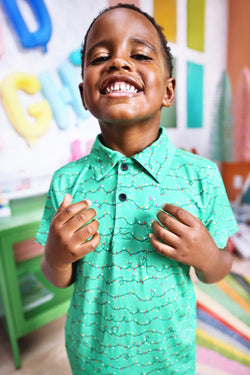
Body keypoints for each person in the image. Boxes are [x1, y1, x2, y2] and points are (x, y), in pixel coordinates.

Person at [36, 4, 238, 374]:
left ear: (168, 90)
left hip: (169, 361)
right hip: (92, 359)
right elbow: (57, 279)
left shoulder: (201, 176)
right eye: (100, 56)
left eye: (140, 54)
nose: (118, 62)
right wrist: (57, 257)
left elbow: (219, 270)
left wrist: (207, 256)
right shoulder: (66, 182)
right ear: (85, 94)